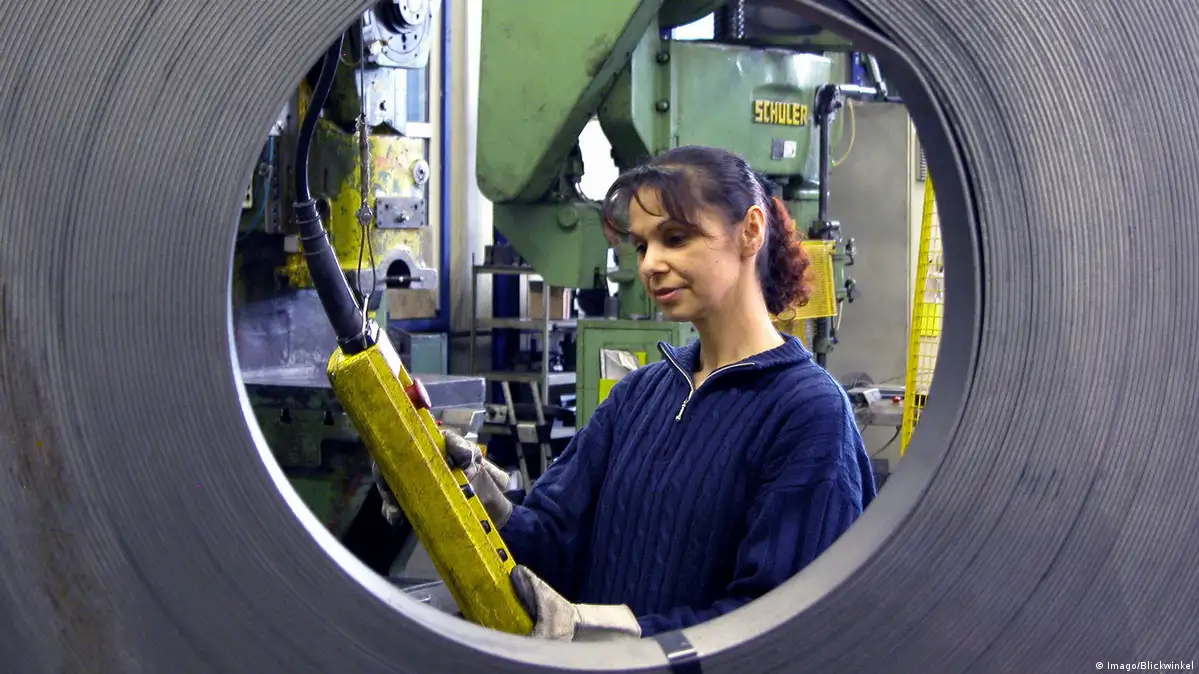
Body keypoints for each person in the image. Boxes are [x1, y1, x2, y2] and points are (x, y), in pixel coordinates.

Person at [377, 145, 877, 642]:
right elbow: (551, 543)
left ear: (750, 231)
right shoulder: (640, 394)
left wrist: (606, 632)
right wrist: (472, 497)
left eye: (675, 238)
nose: (650, 264)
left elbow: (782, 627)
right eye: (641, 246)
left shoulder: (810, 413)